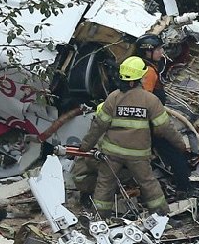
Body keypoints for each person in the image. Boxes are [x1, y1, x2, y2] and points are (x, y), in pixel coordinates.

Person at [80, 57, 187, 216]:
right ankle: (161, 217)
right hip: (138, 155)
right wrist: (181, 145)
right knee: (149, 184)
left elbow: (98, 126)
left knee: (104, 185)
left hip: (112, 154)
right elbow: (165, 128)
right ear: (141, 77)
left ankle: (100, 220)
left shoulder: (113, 97)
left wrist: (85, 147)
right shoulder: (150, 100)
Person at [134, 33, 192, 195]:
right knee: (175, 152)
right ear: (147, 52)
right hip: (151, 124)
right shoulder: (149, 72)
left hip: (144, 124)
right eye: (158, 49)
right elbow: (145, 99)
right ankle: (184, 187)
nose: (161, 52)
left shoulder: (141, 67)